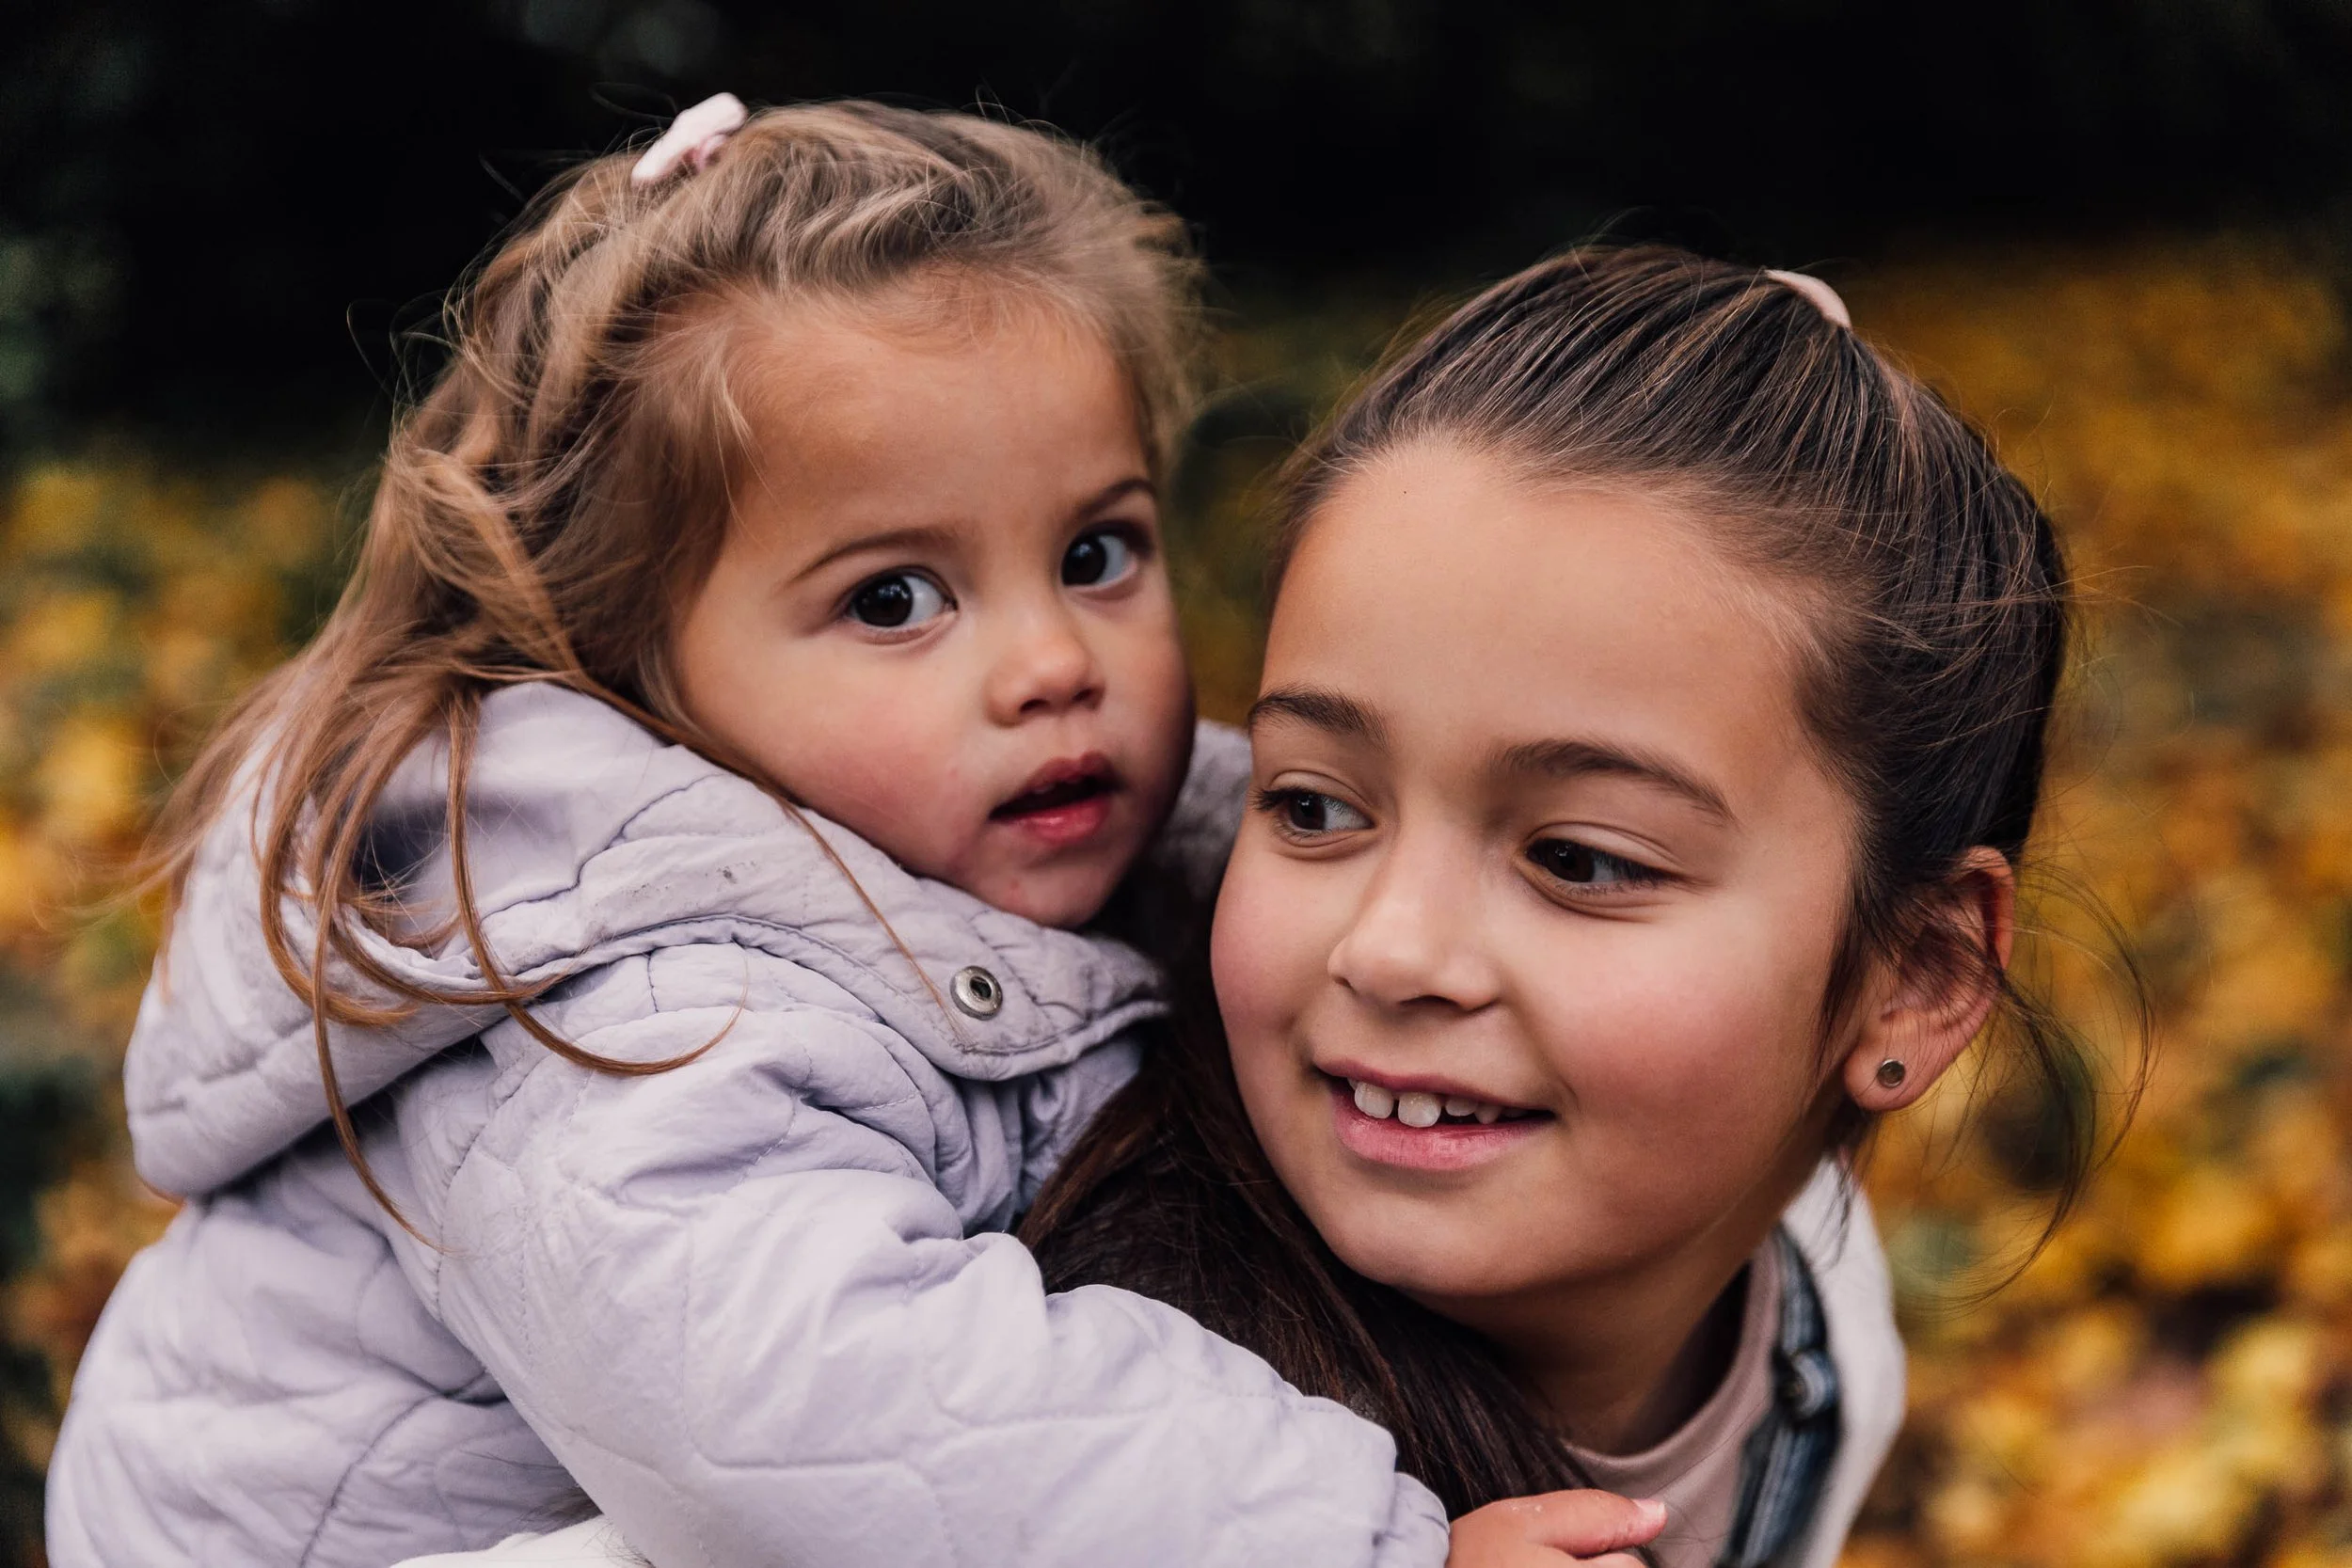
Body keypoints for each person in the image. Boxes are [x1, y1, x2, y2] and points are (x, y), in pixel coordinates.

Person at [49, 96, 1667, 1568]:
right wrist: (1360, 1545)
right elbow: (843, 1413)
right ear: (626, 664)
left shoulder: (965, 816)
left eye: (1098, 551)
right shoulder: (626, 1009)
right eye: (896, 598)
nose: (1053, 663)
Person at [407, 246, 2134, 1568]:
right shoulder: (980, 1436)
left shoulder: (1817, 1318)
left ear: (1912, 982)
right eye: (1314, 806)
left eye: (1581, 858)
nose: (1388, 948)